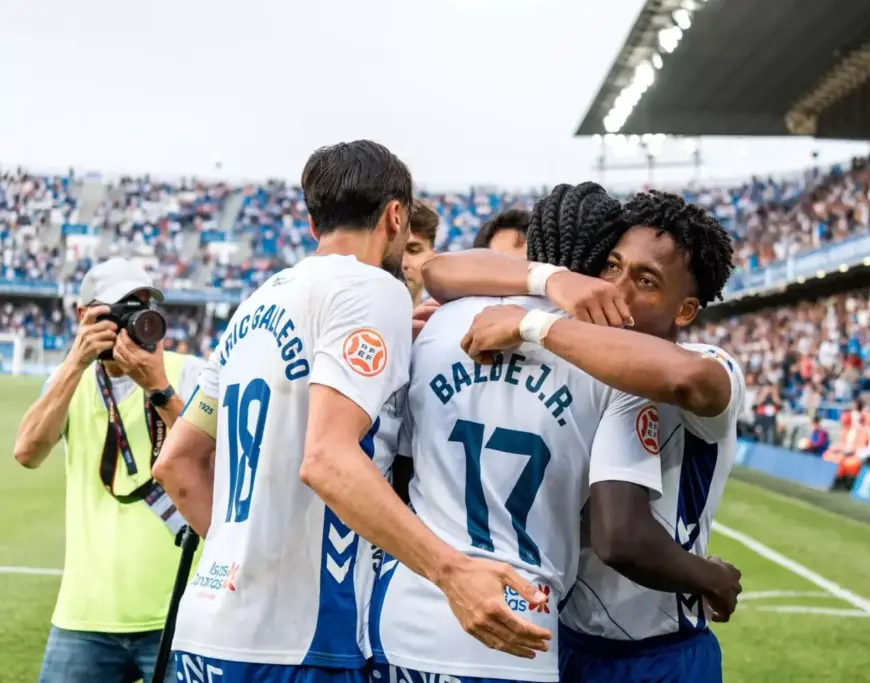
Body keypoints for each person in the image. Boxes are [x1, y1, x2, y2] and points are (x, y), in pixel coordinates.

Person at [151, 140, 550, 683]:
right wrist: (451, 571)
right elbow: (327, 459)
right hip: (304, 643)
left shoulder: (256, 303)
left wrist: (247, 565)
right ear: (395, 216)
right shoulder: (372, 288)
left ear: (314, 224)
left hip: (207, 632)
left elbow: (176, 463)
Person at [369, 183, 742, 683]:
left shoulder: (698, 364)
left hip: (657, 649)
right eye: (611, 267)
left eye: (645, 280)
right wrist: (545, 295)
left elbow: (685, 379)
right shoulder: (586, 362)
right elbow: (439, 269)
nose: (618, 290)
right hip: (556, 636)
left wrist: (532, 324)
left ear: (686, 310)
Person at [13, 257, 204, 683]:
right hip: (85, 614)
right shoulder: (68, 380)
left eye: (142, 308)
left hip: (178, 610)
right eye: (119, 310)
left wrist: (158, 388)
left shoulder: (188, 372)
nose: (131, 322)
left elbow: (211, 460)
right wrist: (76, 362)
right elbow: (27, 452)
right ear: (84, 315)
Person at [402, 199, 439, 303]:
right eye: (390, 253)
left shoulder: (449, 312)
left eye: (413, 250)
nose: (403, 263)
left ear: (432, 258)